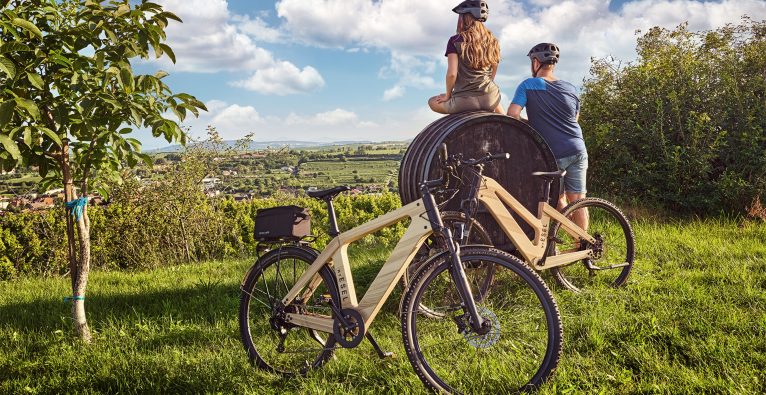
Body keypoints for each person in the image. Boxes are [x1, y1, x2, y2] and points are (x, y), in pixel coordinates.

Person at [507, 43, 589, 231]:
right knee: (578, 200)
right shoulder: (571, 88)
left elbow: (512, 114)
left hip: (554, 152)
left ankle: (560, 239)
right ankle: (583, 245)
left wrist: (532, 124)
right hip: (578, 148)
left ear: (536, 62)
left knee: (557, 199)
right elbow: (575, 119)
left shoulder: (528, 85)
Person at [428, 1, 503, 115]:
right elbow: (493, 73)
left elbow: (452, 74)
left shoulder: (455, 40)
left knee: (432, 101)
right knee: (498, 107)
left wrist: (448, 95)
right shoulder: (493, 41)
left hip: (464, 102)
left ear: (464, 17)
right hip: (490, 99)